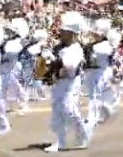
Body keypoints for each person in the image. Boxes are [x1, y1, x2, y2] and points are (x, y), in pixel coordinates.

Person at [43, 11, 90, 153]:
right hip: (59, 83)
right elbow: (51, 64)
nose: (61, 33)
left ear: (71, 33)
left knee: (69, 109)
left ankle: (82, 133)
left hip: (70, 83)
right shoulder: (59, 47)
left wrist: (54, 60)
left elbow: (69, 65)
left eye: (64, 31)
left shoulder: (77, 49)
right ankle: (60, 141)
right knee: (58, 111)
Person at [83, 19, 115, 127]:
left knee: (94, 96)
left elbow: (96, 51)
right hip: (93, 72)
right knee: (94, 96)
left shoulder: (105, 45)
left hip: (101, 72)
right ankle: (107, 111)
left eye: (98, 31)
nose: (95, 33)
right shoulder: (96, 44)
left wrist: (87, 43)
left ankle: (92, 118)